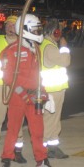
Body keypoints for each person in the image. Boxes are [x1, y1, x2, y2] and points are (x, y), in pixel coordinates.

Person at [1, 14, 51, 167]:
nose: (37, 33)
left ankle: (41, 159)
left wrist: (44, 94)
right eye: (34, 30)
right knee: (13, 129)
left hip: (34, 96)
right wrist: (23, 94)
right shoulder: (10, 51)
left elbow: (38, 74)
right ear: (25, 30)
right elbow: (8, 77)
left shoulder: (36, 49)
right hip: (18, 96)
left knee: (38, 131)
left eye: (38, 30)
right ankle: (7, 158)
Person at [0, 15, 26, 163]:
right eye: (8, 24)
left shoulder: (24, 44)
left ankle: (17, 151)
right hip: (0, 87)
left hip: (18, 89)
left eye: (14, 25)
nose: (10, 27)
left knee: (17, 121)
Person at [40, 19, 71, 159]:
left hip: (53, 90)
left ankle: (52, 148)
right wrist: (64, 47)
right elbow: (66, 61)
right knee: (49, 120)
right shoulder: (49, 47)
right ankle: (44, 148)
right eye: (59, 31)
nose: (60, 35)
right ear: (55, 32)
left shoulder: (46, 45)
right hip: (51, 91)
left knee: (54, 120)